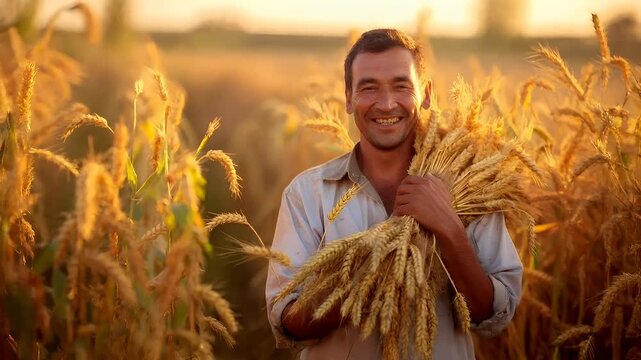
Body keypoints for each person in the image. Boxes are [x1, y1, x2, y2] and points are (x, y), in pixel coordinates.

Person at [265, 28, 523, 359]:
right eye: (368, 88)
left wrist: (449, 229)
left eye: (401, 86)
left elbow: (494, 317)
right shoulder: (308, 193)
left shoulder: (471, 185)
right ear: (348, 98)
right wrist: (372, 268)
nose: (386, 104)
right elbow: (287, 321)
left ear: (426, 93)